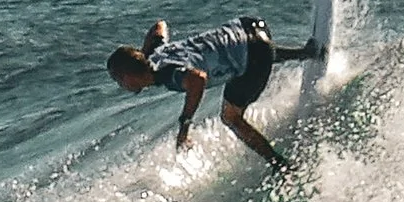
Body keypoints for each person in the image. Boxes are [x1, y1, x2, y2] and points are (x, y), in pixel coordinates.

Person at [107, 17, 324, 173]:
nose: (121, 85)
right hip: (252, 26)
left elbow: (197, 79)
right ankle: (305, 53)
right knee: (237, 60)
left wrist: (185, 124)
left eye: (119, 80)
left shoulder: (167, 75)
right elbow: (159, 25)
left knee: (230, 117)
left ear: (128, 76)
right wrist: (144, 52)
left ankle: (281, 166)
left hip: (254, 53)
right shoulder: (155, 52)